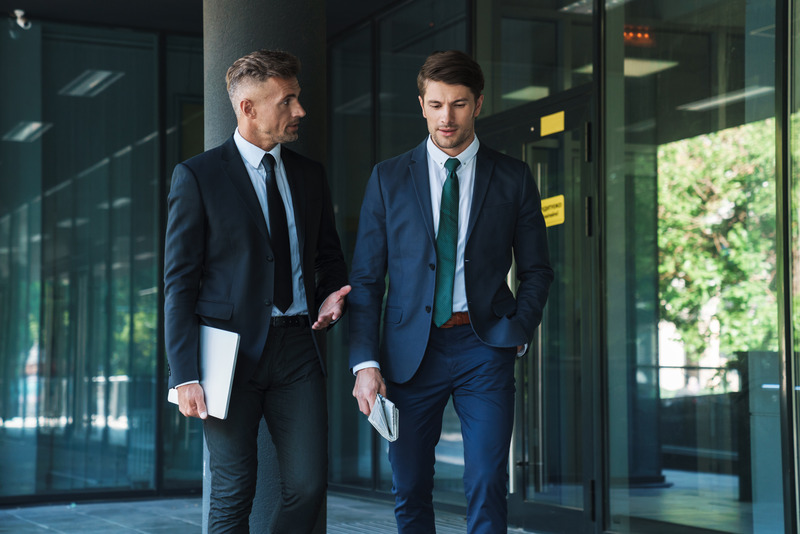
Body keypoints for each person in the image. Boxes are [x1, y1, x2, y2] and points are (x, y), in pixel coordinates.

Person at [348, 50, 553, 533]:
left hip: (485, 345)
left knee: (486, 480)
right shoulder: (388, 177)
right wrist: (365, 362)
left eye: (458, 104)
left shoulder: (513, 176)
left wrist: (518, 328)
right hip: (409, 352)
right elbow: (367, 279)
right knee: (411, 485)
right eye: (437, 104)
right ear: (421, 104)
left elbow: (538, 269)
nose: (447, 117)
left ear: (477, 104)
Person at [164, 49, 350, 533]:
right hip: (227, 355)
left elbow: (328, 257)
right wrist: (183, 373)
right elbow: (178, 283)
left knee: (308, 486)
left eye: (298, 99)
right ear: (247, 107)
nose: (300, 112)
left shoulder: (309, 175)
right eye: (287, 101)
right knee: (232, 489)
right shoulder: (198, 177)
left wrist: (331, 295)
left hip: (297, 347)